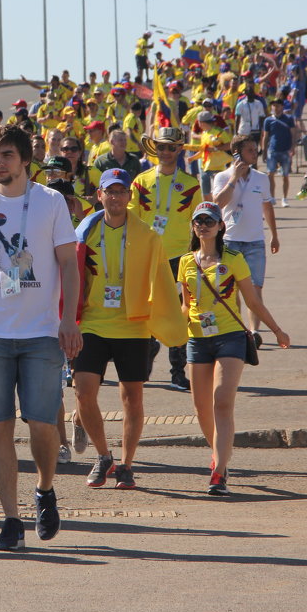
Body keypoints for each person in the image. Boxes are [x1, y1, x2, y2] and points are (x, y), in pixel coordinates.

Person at [0, 125, 81, 551]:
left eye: (6, 155)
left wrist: (69, 320)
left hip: (42, 332)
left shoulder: (51, 201)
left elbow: (69, 264)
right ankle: (10, 519)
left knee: (43, 426)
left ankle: (44, 489)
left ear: (25, 160)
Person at [73, 169, 187, 489]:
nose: (116, 197)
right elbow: (69, 274)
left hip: (133, 324)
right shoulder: (85, 232)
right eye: (110, 191)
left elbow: (163, 281)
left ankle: (125, 465)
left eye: (122, 192)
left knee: (132, 399)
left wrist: (170, 319)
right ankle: (103, 456)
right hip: (93, 322)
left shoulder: (147, 235)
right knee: (83, 393)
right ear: (100, 195)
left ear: (129, 197)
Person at [177, 202, 290, 496]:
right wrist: (171, 328)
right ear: (193, 226)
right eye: (199, 221)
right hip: (197, 338)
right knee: (201, 409)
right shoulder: (186, 262)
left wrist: (276, 330)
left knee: (222, 401)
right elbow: (186, 305)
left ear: (220, 226)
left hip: (230, 337)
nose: (203, 225)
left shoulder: (234, 258)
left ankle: (219, 471)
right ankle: (219, 453)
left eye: (209, 221)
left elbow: (252, 301)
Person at [129, 127, 203, 392]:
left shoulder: (192, 184)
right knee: (145, 311)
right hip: (148, 257)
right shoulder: (141, 181)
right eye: (162, 147)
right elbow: (131, 218)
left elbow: (198, 222)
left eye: (171, 147)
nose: (166, 152)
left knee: (180, 314)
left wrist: (200, 255)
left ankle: (177, 372)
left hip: (179, 257)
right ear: (155, 149)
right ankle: (147, 353)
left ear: (179, 149)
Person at [212, 136, 281, 333]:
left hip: (255, 242)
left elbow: (267, 207)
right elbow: (217, 203)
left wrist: (274, 235)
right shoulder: (222, 177)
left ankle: (254, 333)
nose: (255, 153)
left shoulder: (261, 178)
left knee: (255, 289)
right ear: (236, 153)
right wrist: (234, 178)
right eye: (250, 150)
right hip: (230, 242)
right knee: (232, 291)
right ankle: (237, 329)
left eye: (255, 149)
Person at [261, 100, 296, 206]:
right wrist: (264, 151)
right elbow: (265, 136)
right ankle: (272, 197)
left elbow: (293, 134)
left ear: (282, 107)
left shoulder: (289, 119)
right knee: (270, 174)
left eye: (278, 106)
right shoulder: (268, 120)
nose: (276, 108)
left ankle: (284, 198)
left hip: (285, 150)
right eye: (274, 106)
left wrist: (293, 148)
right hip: (272, 150)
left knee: (285, 175)